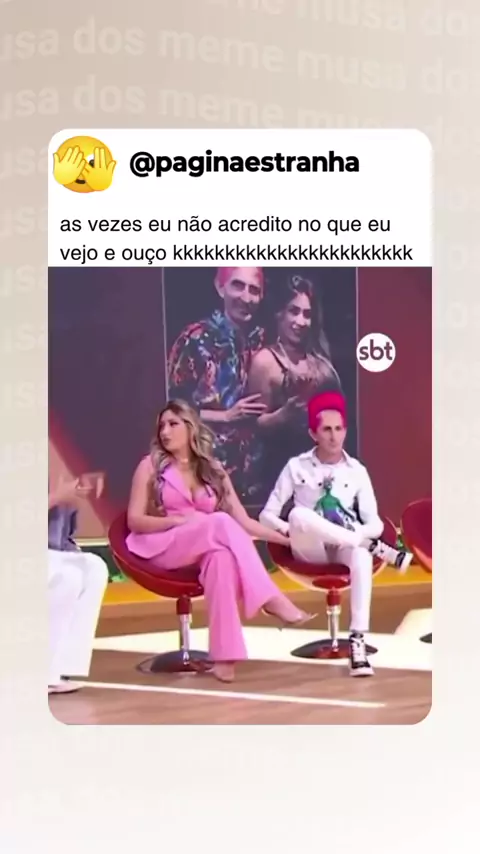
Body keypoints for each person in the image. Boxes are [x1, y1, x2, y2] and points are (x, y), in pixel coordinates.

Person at [125, 399, 315, 684]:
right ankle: (271, 599)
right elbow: (134, 520)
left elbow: (245, 523)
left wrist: (286, 541)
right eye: (162, 426)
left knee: (222, 559)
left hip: (205, 546)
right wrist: (175, 521)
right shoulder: (150, 466)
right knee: (219, 521)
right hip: (164, 546)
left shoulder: (213, 470)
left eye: (173, 424)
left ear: (191, 427)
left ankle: (225, 659)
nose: (165, 431)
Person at [259, 391, 413, 677]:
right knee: (298, 514)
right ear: (313, 434)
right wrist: (290, 530)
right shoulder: (296, 467)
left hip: (343, 546)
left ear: (345, 431)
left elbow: (376, 524)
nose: (333, 436)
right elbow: (266, 516)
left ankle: (357, 641)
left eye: (339, 429)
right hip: (309, 548)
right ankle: (375, 548)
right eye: (326, 430)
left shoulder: (357, 471)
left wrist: (356, 534)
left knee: (361, 555)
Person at [167, 267, 267, 502]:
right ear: (220, 288)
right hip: (206, 473)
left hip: (255, 477)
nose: (246, 297)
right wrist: (226, 416)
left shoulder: (264, 340)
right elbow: (172, 409)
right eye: (237, 286)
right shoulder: (196, 339)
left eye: (254, 290)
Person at [247, 275, 343, 500]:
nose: (301, 321)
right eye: (294, 311)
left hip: (321, 470)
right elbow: (254, 425)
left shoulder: (319, 360)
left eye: (307, 314)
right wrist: (283, 416)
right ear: (279, 313)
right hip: (279, 475)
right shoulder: (265, 361)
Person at [48, 472, 109, 694]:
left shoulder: (60, 473)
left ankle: (63, 668)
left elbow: (64, 537)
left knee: (95, 567)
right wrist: (56, 497)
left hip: (53, 552)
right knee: (68, 577)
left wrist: (73, 501)